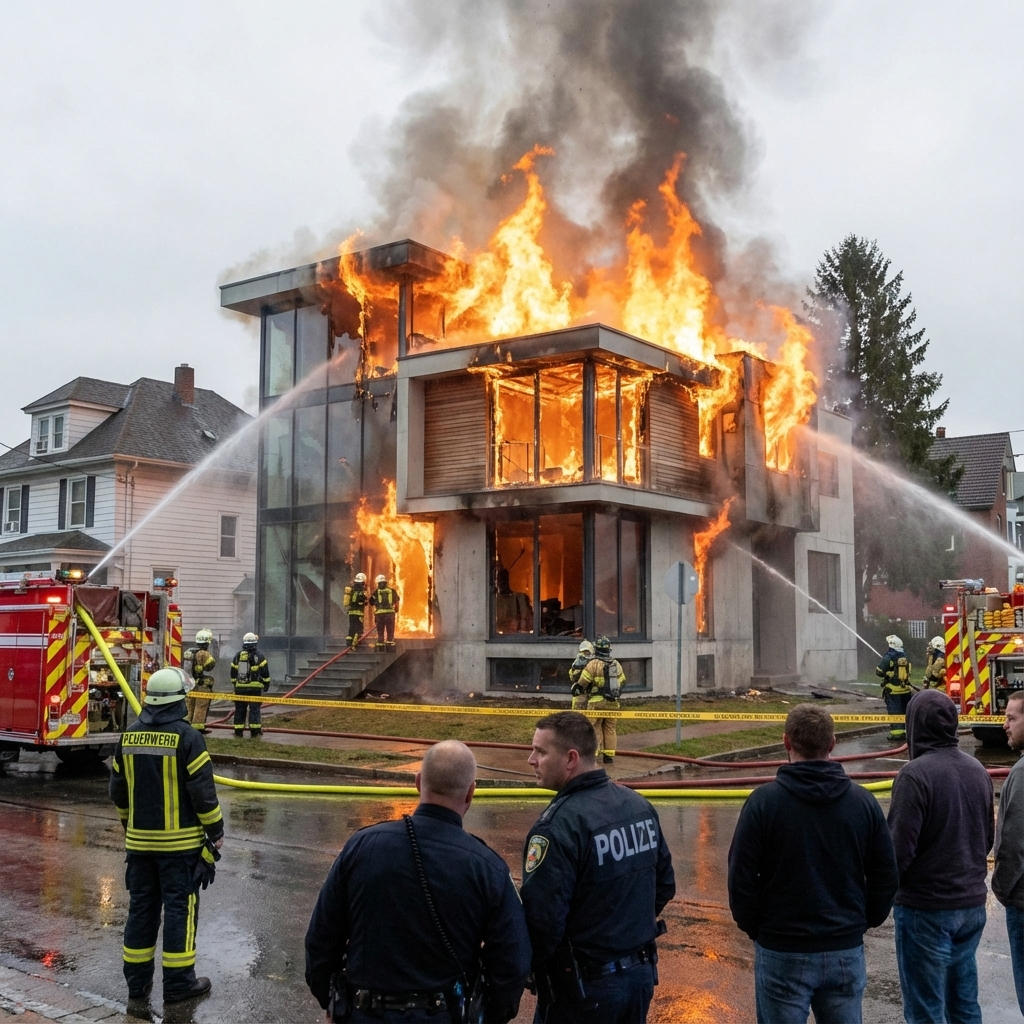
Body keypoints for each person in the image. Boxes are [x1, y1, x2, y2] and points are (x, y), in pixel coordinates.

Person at [305, 740, 531, 1023]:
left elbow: (321, 939)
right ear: (471, 792)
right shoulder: (487, 867)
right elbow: (513, 961)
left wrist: (334, 1001)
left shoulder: (362, 847)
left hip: (363, 1014)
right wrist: (486, 1015)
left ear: (418, 781)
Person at [728, 704, 899, 1024]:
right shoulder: (863, 803)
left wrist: (757, 929)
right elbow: (886, 875)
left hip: (782, 949)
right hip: (844, 948)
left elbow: (740, 879)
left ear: (786, 742)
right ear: (833, 743)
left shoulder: (763, 803)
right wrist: (862, 922)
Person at [521, 711, 675, 1024]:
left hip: (584, 991)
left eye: (540, 751)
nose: (530, 759)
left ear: (570, 758)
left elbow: (543, 922)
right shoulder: (637, 805)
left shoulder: (557, 827)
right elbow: (665, 885)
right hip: (638, 978)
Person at [109, 667, 224, 1012]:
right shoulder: (188, 738)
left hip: (139, 849)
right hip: (180, 851)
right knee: (179, 911)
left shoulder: (128, 736)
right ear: (179, 702)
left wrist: (131, 827)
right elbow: (202, 794)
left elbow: (118, 791)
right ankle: (178, 985)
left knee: (141, 912)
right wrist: (216, 833)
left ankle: (136, 987)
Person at [888, 689, 994, 1024]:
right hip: (971, 907)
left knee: (925, 1010)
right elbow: (986, 840)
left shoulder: (914, 775)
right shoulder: (978, 770)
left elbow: (897, 853)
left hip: (926, 909)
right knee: (964, 1004)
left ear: (914, 725)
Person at [992, 689, 1024, 1015]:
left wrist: (1001, 889)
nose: (1005, 725)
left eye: (1012, 718)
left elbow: (1014, 845)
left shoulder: (1021, 774)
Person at [577, 637, 625, 764]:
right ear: (609, 650)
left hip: (596, 702)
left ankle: (595, 755)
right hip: (613, 703)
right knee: (610, 729)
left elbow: (582, 682)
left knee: (595, 726)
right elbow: (622, 682)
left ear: (597, 649)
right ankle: (609, 756)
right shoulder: (616, 664)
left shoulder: (593, 664)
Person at [230, 632, 270, 739]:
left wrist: (235, 685)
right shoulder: (260, 656)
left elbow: (233, 673)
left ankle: (238, 732)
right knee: (254, 709)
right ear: (255, 643)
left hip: (240, 688)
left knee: (239, 709)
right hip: (255, 689)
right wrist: (266, 684)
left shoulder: (238, 656)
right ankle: (255, 732)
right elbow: (265, 672)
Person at [876, 635, 913, 740]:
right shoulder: (905, 656)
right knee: (905, 712)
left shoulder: (889, 656)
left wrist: (887, 672)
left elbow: (878, 672)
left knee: (895, 712)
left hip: (893, 691)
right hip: (905, 690)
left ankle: (896, 734)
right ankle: (907, 733)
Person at [184, 629, 216, 733]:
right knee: (201, 706)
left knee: (189, 706)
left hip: (189, 684)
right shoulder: (204, 653)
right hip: (200, 685)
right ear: (207, 642)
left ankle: (186, 726)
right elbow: (210, 666)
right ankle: (198, 728)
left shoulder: (189, 652)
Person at [370, 574, 400, 651]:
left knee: (380, 631)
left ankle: (380, 647)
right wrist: (396, 609)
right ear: (386, 582)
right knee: (390, 631)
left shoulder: (376, 592)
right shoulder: (392, 591)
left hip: (379, 615)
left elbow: (371, 602)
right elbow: (396, 601)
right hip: (390, 614)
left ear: (378, 583)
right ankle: (390, 648)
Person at [344, 573, 368, 649]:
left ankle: (349, 642)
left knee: (351, 627)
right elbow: (364, 602)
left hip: (351, 612)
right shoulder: (362, 591)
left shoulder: (351, 589)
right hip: (358, 612)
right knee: (358, 627)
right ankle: (356, 643)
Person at [569, 640, 594, 711]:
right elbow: (573, 677)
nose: (585, 653)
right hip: (582, 694)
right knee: (578, 718)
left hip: (586, 694)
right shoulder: (578, 663)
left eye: (587, 652)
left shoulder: (577, 662)